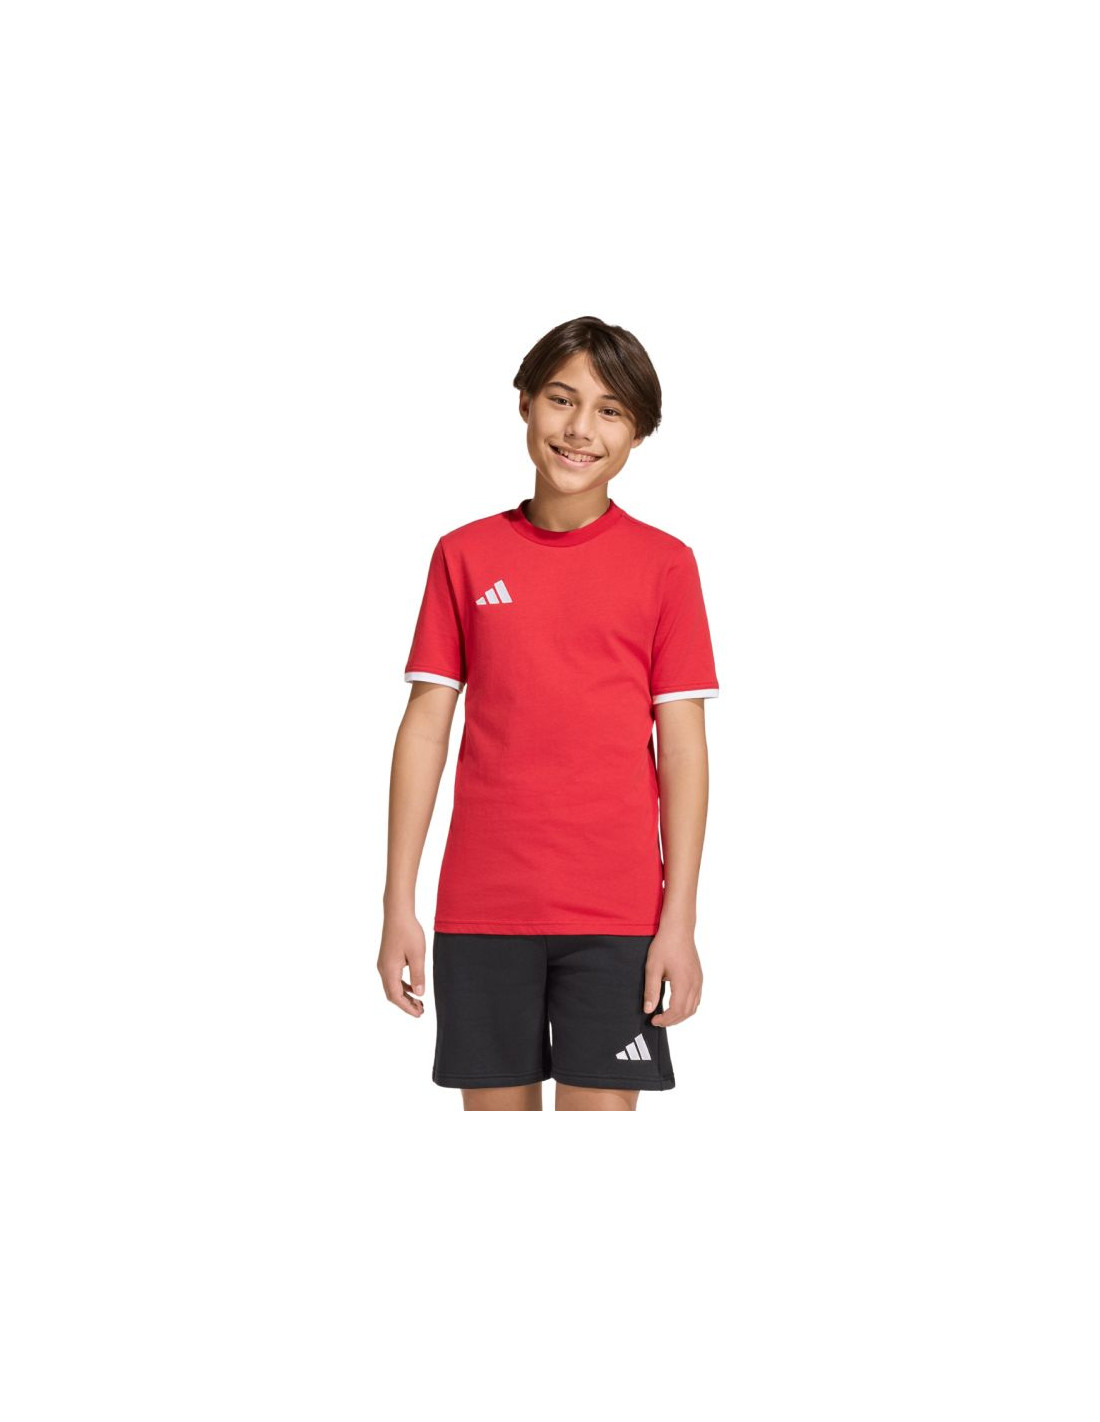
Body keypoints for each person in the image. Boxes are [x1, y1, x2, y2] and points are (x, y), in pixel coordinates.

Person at [378, 315, 719, 1112]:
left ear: (638, 432)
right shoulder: (464, 555)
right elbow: (425, 730)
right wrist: (399, 903)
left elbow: (683, 751)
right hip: (482, 912)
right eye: (562, 400)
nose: (579, 429)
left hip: (618, 918)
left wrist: (679, 921)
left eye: (610, 410)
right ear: (526, 403)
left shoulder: (666, 566)